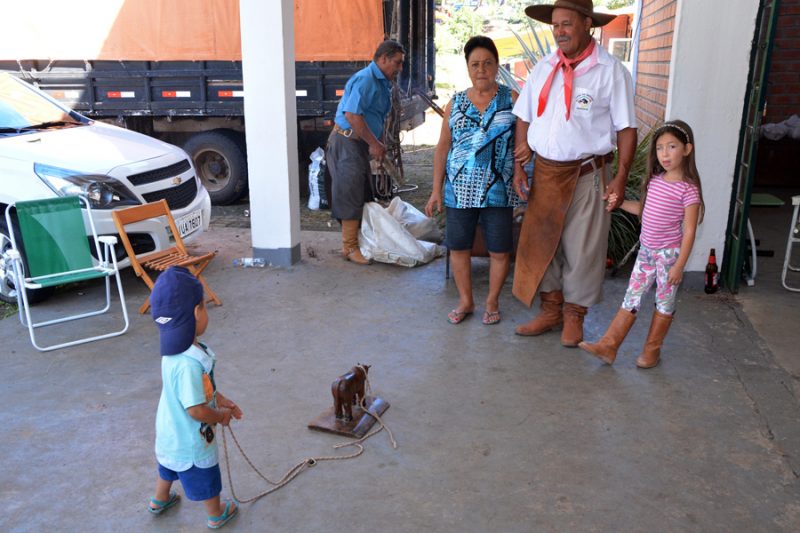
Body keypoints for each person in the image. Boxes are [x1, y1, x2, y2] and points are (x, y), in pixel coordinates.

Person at [511, 0, 637, 346]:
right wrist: (519, 166)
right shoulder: (543, 67)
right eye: (555, 26)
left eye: (566, 24)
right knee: (543, 244)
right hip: (545, 173)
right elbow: (523, 116)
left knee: (584, 248)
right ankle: (551, 309)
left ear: (587, 24)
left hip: (587, 173)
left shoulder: (610, 71)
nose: (559, 32)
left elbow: (627, 129)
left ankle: (574, 316)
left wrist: (621, 177)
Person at [579, 120, 704, 368]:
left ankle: (651, 351)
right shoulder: (655, 181)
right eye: (659, 148)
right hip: (646, 252)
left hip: (669, 257)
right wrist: (620, 203)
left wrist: (679, 265)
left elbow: (689, 231)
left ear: (687, 149)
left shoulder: (688, 190)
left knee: (664, 302)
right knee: (631, 297)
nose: (665, 154)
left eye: (672, 147)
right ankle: (609, 345)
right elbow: (643, 211)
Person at [425, 35, 520, 325]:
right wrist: (435, 190)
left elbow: (523, 144)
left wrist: (520, 175)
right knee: (459, 246)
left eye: (487, 63)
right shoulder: (456, 103)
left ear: (497, 66)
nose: (482, 70)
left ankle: (491, 301)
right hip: (458, 189)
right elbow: (443, 147)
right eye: (475, 64)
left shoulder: (512, 99)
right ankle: (466, 300)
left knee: (500, 249)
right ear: (467, 67)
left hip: (498, 190)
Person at [148, 266, 243, 529]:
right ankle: (216, 513)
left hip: (169, 432)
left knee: (167, 467)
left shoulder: (172, 352)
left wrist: (220, 398)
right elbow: (196, 410)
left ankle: (159, 499)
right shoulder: (189, 363)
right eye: (205, 307)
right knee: (205, 476)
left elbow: (197, 390)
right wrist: (220, 416)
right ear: (196, 312)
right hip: (191, 440)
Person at [327, 40, 405, 265]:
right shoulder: (366, 79)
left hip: (356, 142)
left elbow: (376, 116)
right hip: (345, 141)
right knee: (350, 192)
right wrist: (373, 143)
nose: (399, 68)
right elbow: (353, 115)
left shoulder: (382, 83)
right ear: (382, 59)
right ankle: (349, 247)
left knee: (360, 192)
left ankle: (356, 241)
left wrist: (378, 143)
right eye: (397, 63)